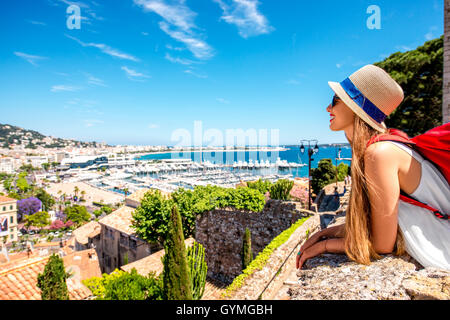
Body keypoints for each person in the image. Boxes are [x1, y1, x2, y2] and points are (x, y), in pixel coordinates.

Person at [296, 64, 450, 271]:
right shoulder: (382, 148)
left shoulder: (380, 153)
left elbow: (382, 245)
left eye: (335, 100)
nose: (328, 108)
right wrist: (328, 232)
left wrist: (325, 245)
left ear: (355, 107)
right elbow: (383, 222)